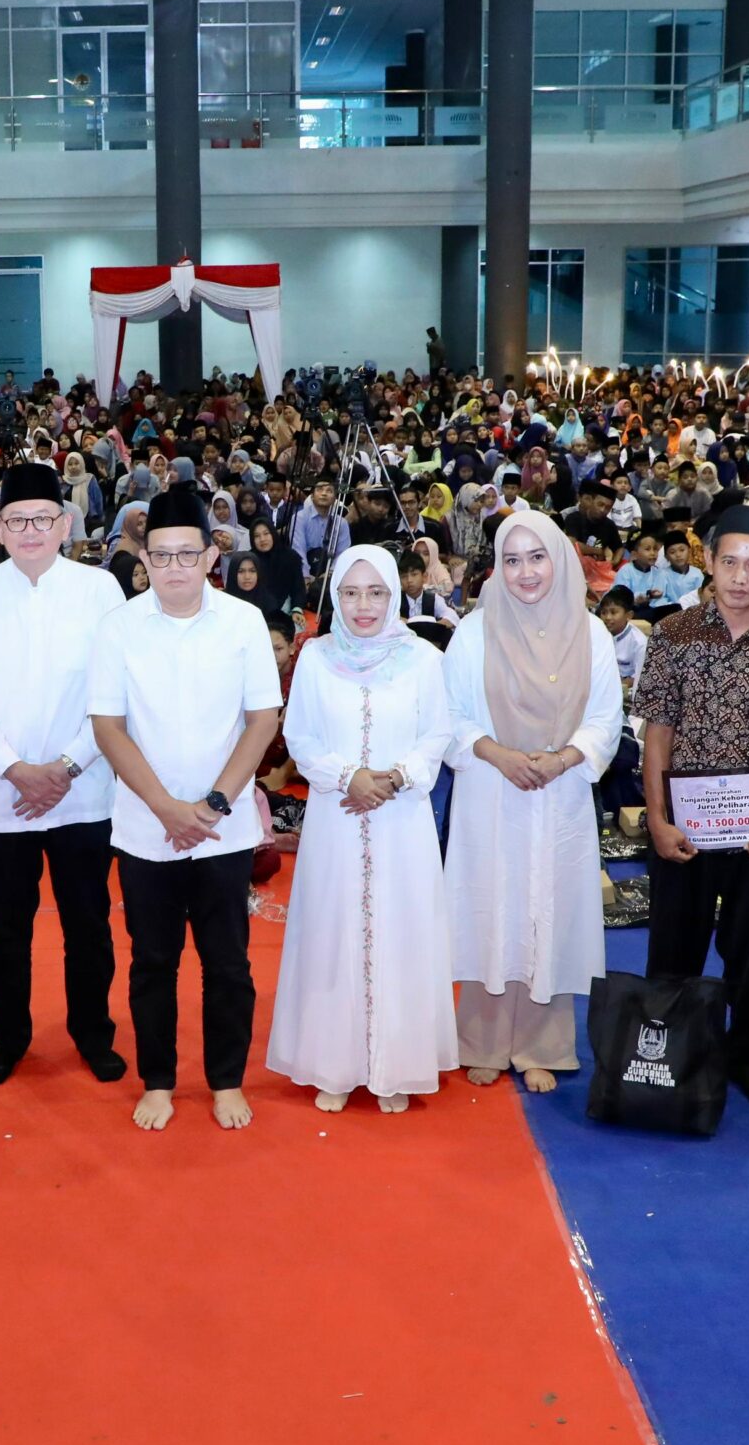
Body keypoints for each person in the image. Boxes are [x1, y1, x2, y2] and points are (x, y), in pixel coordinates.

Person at [89, 485, 283, 1132]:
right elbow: (109, 727)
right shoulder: (118, 626)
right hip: (147, 830)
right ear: (144, 556)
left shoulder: (243, 621)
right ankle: (160, 1079)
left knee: (228, 962)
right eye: (161, 556)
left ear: (210, 555)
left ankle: (226, 1077)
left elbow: (262, 720)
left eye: (186, 555)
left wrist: (215, 802)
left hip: (224, 831)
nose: (173, 568)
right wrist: (167, 808)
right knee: (152, 961)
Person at [632, 503, 749, 1104]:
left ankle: (744, 1056)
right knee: (674, 945)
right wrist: (658, 822)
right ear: (708, 564)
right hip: (683, 828)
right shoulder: (672, 636)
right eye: (729, 562)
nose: (740, 576)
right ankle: (666, 1048)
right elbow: (656, 734)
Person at [0, 463, 129, 1086]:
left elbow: (112, 691)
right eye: (16, 519)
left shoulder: (100, 591)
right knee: (6, 930)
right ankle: (10, 1038)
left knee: (89, 925)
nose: (29, 531)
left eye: (42, 519)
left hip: (84, 790)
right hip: (3, 796)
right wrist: (18, 769)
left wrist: (67, 765)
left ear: (66, 523)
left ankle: (92, 1033)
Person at [268, 545, 457, 1112]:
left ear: (396, 594)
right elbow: (299, 737)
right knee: (334, 930)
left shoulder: (422, 658)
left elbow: (437, 733)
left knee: (400, 929)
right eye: (350, 593)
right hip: (336, 815)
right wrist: (348, 776)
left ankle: (396, 1065)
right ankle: (334, 1062)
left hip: (401, 816)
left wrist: (396, 777)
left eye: (376, 592)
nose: (363, 605)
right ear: (334, 597)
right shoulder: (318, 656)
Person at [443, 511, 624, 1092]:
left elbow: (605, 717)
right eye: (512, 559)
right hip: (491, 791)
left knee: (550, 908)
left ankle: (542, 1045)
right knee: (492, 907)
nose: (525, 572)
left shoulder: (590, 632)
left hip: (559, 792)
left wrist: (563, 759)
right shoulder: (475, 631)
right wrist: (499, 755)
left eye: (537, 557)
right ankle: (483, 1041)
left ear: (559, 560)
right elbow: (449, 715)